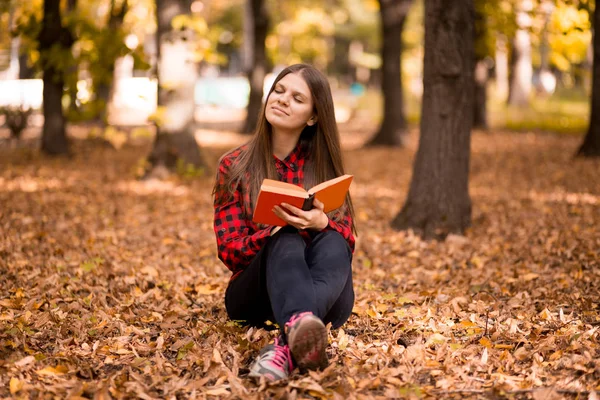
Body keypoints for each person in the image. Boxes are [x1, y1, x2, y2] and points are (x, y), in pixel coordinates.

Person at [212, 64, 356, 382]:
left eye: (297, 98)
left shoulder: (323, 168)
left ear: (313, 116)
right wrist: (273, 233)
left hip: (327, 293)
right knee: (287, 237)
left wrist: (321, 223)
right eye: (278, 91)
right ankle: (298, 332)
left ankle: (288, 341)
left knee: (333, 238)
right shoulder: (234, 165)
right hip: (253, 296)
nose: (282, 100)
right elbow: (230, 251)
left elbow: (347, 245)